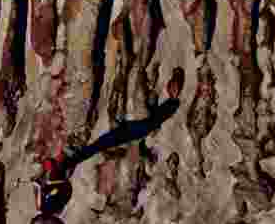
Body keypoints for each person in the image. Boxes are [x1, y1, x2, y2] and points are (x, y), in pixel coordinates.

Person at [34, 71, 184, 215]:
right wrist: (171, 104)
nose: (42, 174)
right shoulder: (75, 160)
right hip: (115, 119)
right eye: (43, 180)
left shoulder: (56, 157)